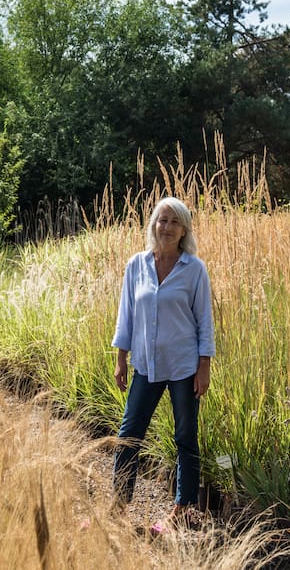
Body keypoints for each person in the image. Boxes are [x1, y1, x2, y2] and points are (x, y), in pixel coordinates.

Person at [111, 196, 215, 531]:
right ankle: (117, 506)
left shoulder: (194, 269)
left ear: (184, 229)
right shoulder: (136, 266)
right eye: (161, 220)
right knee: (129, 435)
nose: (167, 227)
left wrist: (204, 366)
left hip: (184, 367)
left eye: (174, 222)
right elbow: (125, 316)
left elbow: (204, 321)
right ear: (153, 225)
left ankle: (182, 509)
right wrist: (121, 359)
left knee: (185, 436)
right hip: (146, 365)